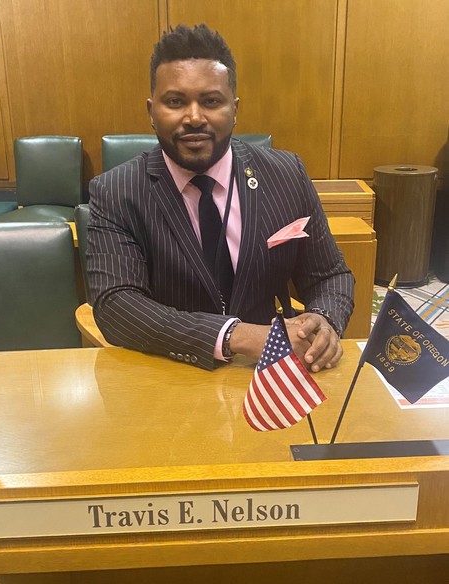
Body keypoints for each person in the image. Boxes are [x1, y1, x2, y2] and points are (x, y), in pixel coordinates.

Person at [86, 23, 354, 371]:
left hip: (273, 377)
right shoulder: (116, 191)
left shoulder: (287, 173)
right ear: (151, 111)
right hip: (171, 377)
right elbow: (116, 306)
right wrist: (235, 336)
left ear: (235, 108)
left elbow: (329, 275)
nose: (194, 117)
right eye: (175, 102)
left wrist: (323, 320)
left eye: (211, 101)